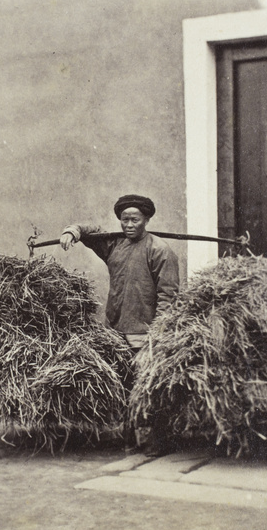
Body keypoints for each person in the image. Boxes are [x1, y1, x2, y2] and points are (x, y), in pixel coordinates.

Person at [59, 194, 179, 454]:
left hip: (145, 332)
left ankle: (154, 442)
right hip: (115, 330)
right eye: (124, 220)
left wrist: (158, 333)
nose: (129, 225)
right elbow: (92, 233)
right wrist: (73, 232)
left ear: (146, 219)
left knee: (147, 386)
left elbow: (168, 296)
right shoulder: (113, 246)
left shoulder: (160, 250)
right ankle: (129, 439)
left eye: (135, 219)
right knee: (123, 385)